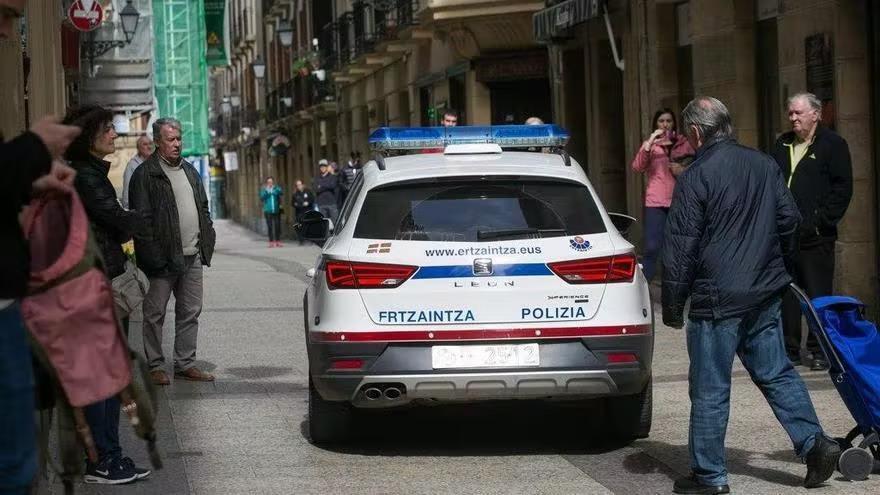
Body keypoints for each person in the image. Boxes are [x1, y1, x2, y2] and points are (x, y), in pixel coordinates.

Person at [662, 96, 840, 494]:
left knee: (710, 387)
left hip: (717, 298)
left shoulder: (695, 176)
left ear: (694, 133)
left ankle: (710, 477)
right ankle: (814, 444)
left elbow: (681, 246)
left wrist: (673, 305)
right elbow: (789, 221)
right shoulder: (763, 163)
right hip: (762, 292)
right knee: (776, 373)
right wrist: (775, 269)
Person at [63, 105, 151, 484]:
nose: (116, 134)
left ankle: (109, 455)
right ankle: (102, 458)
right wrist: (145, 217)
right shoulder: (86, 177)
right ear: (88, 137)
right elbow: (116, 220)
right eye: (108, 129)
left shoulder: (91, 174)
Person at [129, 118, 216, 386]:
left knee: (191, 310)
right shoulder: (145, 174)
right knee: (154, 314)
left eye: (179, 138)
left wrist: (207, 234)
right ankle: (155, 365)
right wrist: (153, 258)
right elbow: (141, 221)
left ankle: (184, 363)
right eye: (171, 139)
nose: (177, 144)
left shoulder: (190, 171)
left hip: (192, 256)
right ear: (158, 141)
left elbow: (202, 207)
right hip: (162, 259)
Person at [772, 92, 853, 371]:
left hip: (816, 237)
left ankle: (819, 350)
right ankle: (789, 350)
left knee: (818, 295)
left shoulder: (833, 145)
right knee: (787, 295)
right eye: (791, 113)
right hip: (786, 235)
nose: (793, 118)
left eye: (798, 113)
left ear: (816, 114)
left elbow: (842, 188)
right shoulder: (782, 143)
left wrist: (820, 222)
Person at [630, 108, 694, 281]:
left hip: (678, 199)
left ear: (674, 123)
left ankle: (674, 283)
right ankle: (645, 283)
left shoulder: (684, 143)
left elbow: (699, 165)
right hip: (655, 201)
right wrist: (650, 141)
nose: (665, 124)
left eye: (668, 121)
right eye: (661, 121)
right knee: (651, 246)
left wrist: (683, 169)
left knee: (676, 245)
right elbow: (637, 167)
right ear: (656, 124)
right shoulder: (650, 146)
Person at [121, 135, 154, 209]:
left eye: (150, 143)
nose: (149, 146)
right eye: (145, 144)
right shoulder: (132, 165)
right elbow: (127, 189)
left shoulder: (155, 163)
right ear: (138, 148)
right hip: (139, 209)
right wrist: (127, 209)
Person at [259, 176, 283, 248]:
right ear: (267, 183)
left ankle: (278, 241)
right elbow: (262, 197)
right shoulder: (264, 189)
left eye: (271, 182)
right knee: (270, 226)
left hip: (276, 210)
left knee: (277, 226)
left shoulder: (276, 188)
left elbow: (281, 192)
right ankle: (271, 241)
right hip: (268, 210)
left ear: (273, 182)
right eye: (269, 182)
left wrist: (275, 190)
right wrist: (267, 192)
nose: (270, 183)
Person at [314, 159, 339, 223]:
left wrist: (321, 186)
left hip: (331, 203)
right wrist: (327, 185)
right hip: (321, 204)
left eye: (324, 166)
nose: (322, 168)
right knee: (323, 224)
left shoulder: (332, 177)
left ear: (327, 167)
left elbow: (332, 185)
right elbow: (316, 189)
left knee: (336, 222)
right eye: (321, 166)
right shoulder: (317, 178)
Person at [292, 179, 315, 245]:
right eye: (297, 185)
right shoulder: (295, 193)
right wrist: (295, 204)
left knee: (309, 226)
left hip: (307, 210)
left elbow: (312, 199)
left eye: (300, 184)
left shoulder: (307, 191)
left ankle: (311, 240)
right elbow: (292, 203)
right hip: (299, 212)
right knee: (300, 226)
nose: (299, 186)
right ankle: (301, 241)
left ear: (303, 185)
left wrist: (308, 202)